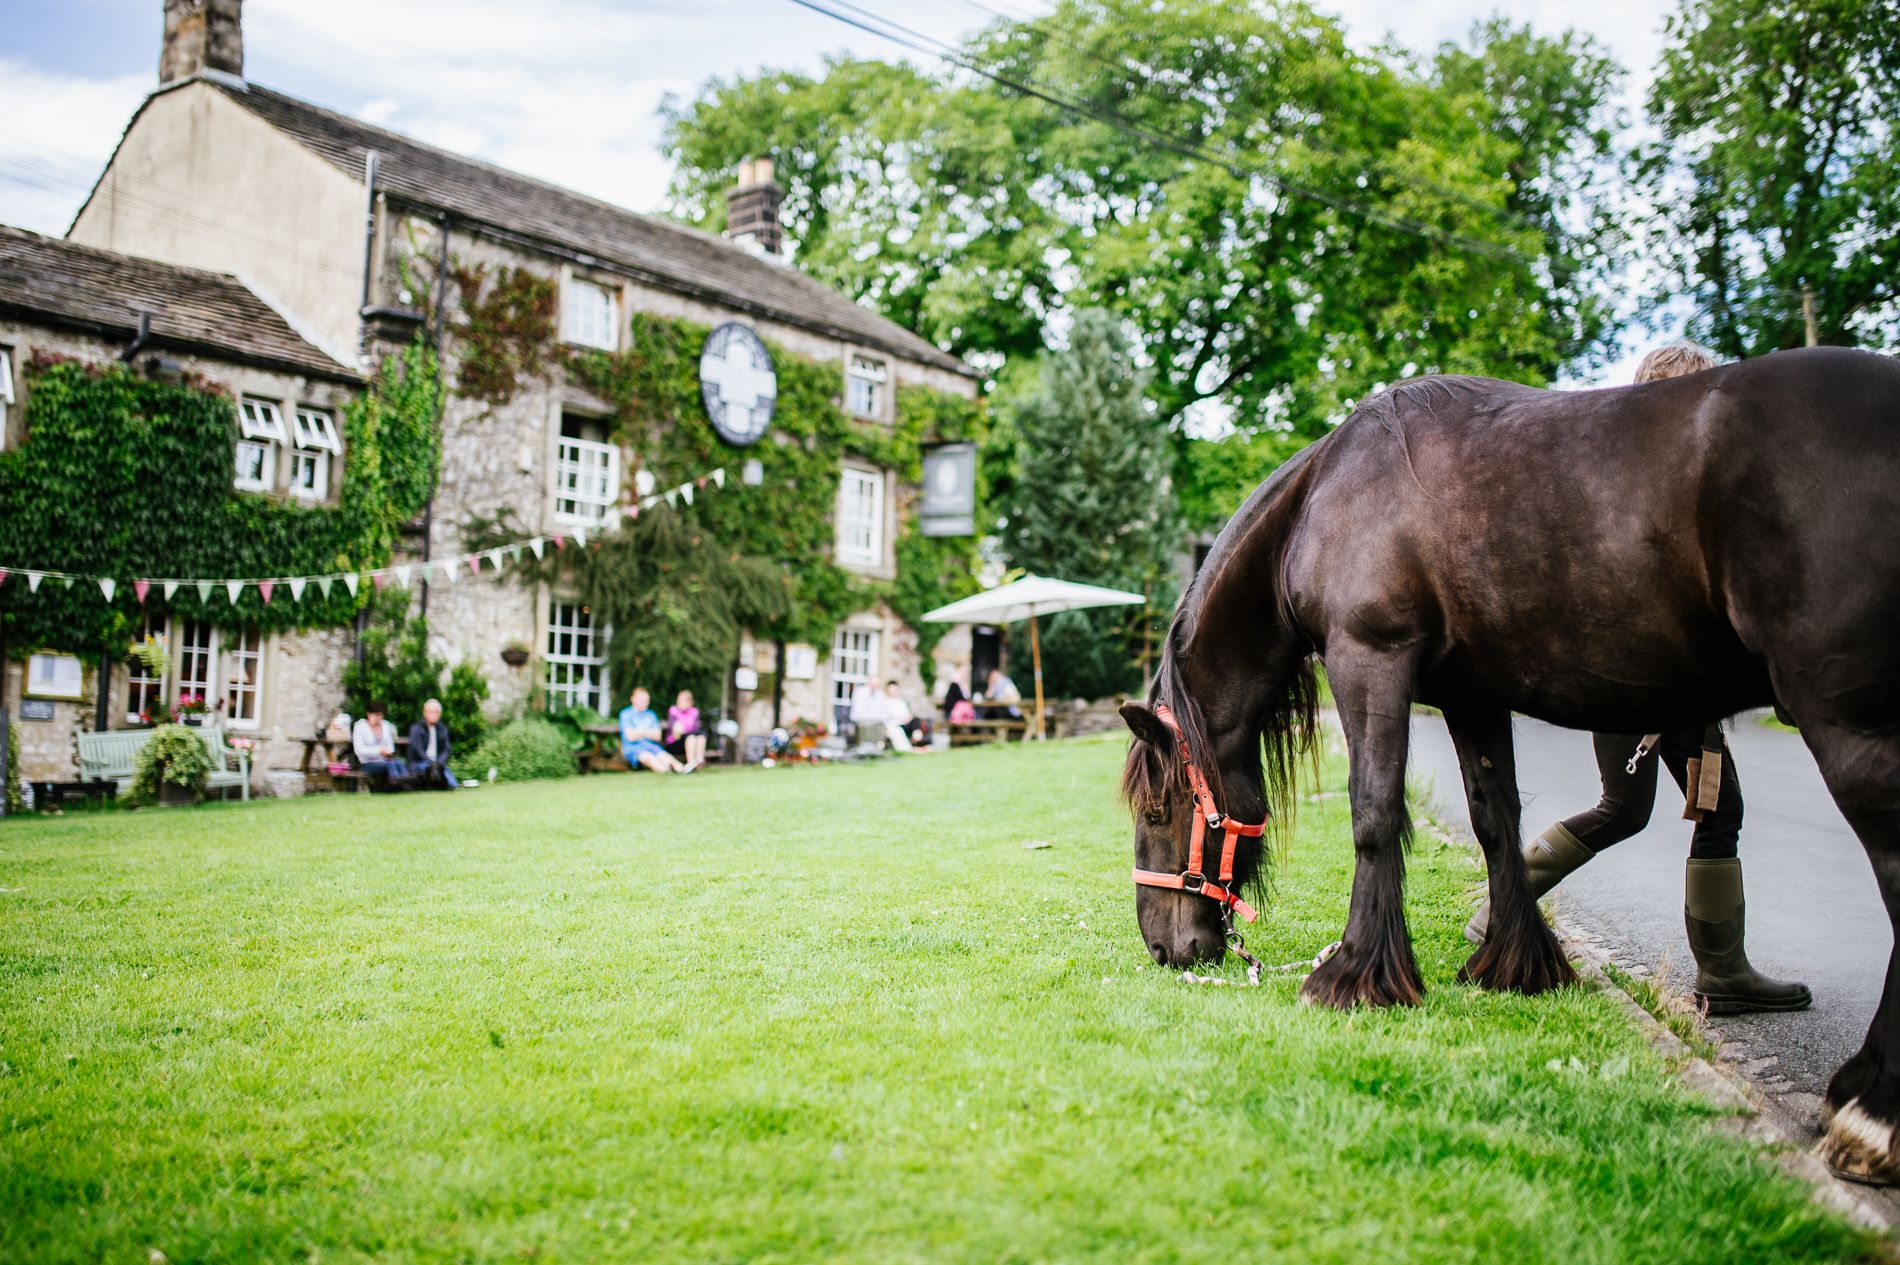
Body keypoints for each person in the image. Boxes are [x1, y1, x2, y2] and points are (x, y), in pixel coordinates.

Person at [1466, 342, 1811, 1015]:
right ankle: (1723, 972)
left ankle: (1499, 909)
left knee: (1631, 809)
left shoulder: (1616, 474)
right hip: (1663, 678)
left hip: (1627, 674)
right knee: (1701, 809)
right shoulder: (1680, 477)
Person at [620, 687, 690, 774]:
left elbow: (657, 736)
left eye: (646, 701)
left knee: (665, 757)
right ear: (633, 699)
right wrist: (648, 732)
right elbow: (630, 737)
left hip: (651, 745)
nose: (644, 703)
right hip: (633, 747)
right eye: (641, 700)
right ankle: (667, 772)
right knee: (650, 758)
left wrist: (639, 732)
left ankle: (683, 769)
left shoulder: (651, 715)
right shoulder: (626, 714)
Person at [406, 697, 458, 789]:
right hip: (421, 763)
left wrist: (439, 762)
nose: (434, 714)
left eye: (436, 712)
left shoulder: (442, 729)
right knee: (430, 773)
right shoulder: (416, 729)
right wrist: (430, 762)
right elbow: (417, 749)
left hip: (437, 763)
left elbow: (446, 748)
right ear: (425, 713)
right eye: (431, 712)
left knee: (452, 784)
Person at [352, 700, 408, 781]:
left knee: (398, 762)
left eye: (380, 715)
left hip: (386, 760)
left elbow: (391, 747)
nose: (378, 718)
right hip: (368, 763)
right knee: (391, 764)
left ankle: (408, 783)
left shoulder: (386, 726)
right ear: (368, 714)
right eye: (375, 715)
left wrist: (388, 753)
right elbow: (359, 750)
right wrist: (379, 751)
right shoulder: (360, 726)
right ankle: (397, 784)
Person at [665, 689, 706, 772]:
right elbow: (673, 730)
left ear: (690, 702)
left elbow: (695, 729)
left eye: (683, 700)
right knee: (691, 737)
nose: (679, 702)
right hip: (675, 741)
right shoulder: (673, 711)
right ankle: (691, 764)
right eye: (679, 699)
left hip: (689, 739)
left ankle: (699, 761)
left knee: (701, 737)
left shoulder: (694, 712)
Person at [883, 680, 930, 751]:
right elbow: (888, 717)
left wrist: (907, 719)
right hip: (895, 724)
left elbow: (908, 715)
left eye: (895, 689)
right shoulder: (885, 702)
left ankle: (917, 739)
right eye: (891, 689)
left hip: (905, 723)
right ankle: (914, 746)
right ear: (887, 689)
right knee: (898, 729)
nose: (893, 691)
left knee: (916, 720)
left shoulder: (901, 702)